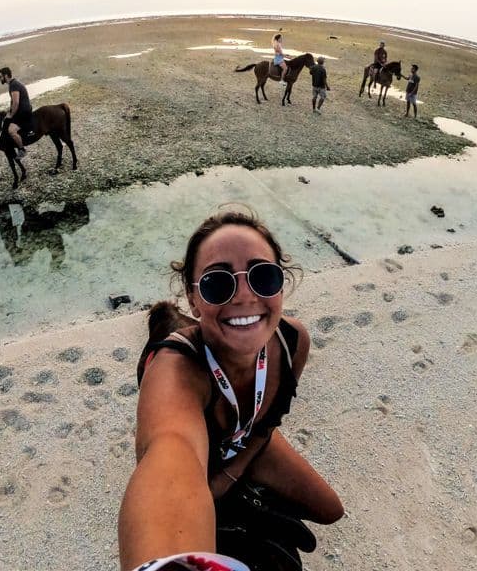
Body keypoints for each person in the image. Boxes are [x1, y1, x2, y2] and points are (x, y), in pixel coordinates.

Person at [118, 209, 343, 570]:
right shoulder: (175, 371)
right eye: (217, 283)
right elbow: (171, 453)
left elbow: (268, 422)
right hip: (199, 458)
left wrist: (230, 475)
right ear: (193, 298)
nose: (243, 296)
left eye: (263, 276)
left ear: (281, 284)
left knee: (330, 510)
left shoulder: (291, 341)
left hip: (243, 440)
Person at [0, 66, 32, 158]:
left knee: (11, 130)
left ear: (6, 76)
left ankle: (21, 149)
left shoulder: (14, 85)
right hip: (22, 110)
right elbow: (14, 102)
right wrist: (9, 111)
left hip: (23, 112)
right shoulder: (13, 84)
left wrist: (11, 115)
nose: (0, 78)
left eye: (1, 76)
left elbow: (16, 102)